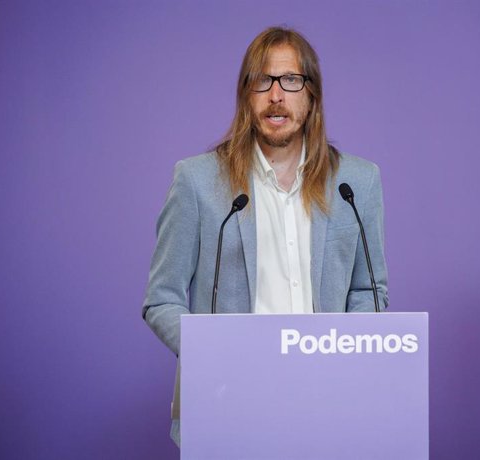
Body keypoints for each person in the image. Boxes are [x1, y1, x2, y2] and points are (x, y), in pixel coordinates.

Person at [141, 26, 388, 446]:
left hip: (328, 406)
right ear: (246, 96)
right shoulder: (198, 181)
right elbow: (161, 298)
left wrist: (344, 357)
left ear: (312, 97)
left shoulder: (357, 182)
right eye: (262, 81)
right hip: (229, 406)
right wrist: (213, 356)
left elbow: (370, 288)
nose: (277, 95)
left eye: (291, 81)